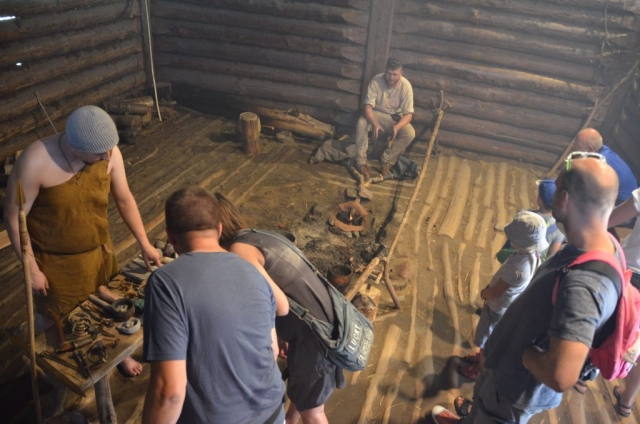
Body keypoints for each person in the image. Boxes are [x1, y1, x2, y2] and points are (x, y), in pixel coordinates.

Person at [432, 152, 621, 423]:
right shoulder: (596, 247)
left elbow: (561, 375)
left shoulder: (584, 286)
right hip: (503, 372)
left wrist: (524, 353)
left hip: (513, 388)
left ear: (564, 199)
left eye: (557, 189)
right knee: (483, 406)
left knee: (491, 414)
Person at [4, 105, 161, 377]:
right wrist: (31, 268)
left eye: (109, 149)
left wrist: (144, 243)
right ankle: (61, 375)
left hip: (98, 250)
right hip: (55, 262)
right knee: (59, 321)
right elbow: (13, 219)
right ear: (75, 146)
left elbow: (124, 199)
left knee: (111, 309)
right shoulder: (35, 161)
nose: (107, 156)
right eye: (99, 153)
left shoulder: (108, 151)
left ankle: (118, 354)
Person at [142, 187, 286, 424]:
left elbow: (169, 392)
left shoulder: (165, 282)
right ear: (219, 229)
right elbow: (271, 349)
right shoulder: (253, 272)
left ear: (171, 237)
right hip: (273, 415)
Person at [216, 193, 342, 424]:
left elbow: (278, 303)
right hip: (322, 324)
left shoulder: (238, 252)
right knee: (302, 396)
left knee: (313, 412)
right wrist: (284, 332)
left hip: (316, 338)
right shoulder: (256, 236)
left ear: (217, 229)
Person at [459, 210, 547, 384]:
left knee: (486, 339)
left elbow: (495, 293)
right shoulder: (533, 256)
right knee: (491, 336)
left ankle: (480, 369)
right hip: (507, 307)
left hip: (496, 307)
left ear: (520, 241)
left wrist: (484, 294)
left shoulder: (516, 268)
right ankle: (482, 357)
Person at [605, 186, 640, 417]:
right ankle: (627, 401)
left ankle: (580, 379)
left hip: (631, 272)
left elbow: (609, 219)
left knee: (603, 323)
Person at [354, 57, 415, 180]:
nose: (391, 77)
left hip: (393, 118)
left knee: (410, 133)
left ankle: (385, 158)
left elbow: (409, 114)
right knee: (361, 123)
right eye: (388, 73)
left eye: (395, 74)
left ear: (401, 73)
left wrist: (397, 127)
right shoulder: (376, 80)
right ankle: (360, 162)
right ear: (385, 70)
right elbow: (367, 107)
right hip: (375, 114)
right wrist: (374, 124)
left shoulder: (406, 86)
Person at [573, 128, 637, 204]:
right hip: (626, 197)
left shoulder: (600, 163)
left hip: (623, 204)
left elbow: (590, 189)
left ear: (591, 148)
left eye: (577, 146)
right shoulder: (603, 149)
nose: (574, 148)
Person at [534, 179, 567, 258]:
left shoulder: (525, 215)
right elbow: (553, 255)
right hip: (539, 264)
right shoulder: (559, 229)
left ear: (540, 200)